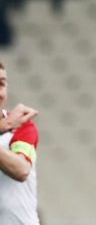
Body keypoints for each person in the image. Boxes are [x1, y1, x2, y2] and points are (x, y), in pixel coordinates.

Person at [0, 61, 40, 225]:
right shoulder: (11, 123)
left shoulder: (21, 125)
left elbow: (21, 170)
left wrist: (8, 125)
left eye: (1, 84)